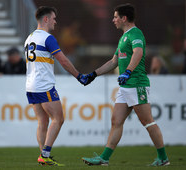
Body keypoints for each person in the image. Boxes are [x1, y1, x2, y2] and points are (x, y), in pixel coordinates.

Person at [82, 4, 170, 166]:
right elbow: (114, 61)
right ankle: (104, 158)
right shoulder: (123, 37)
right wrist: (93, 75)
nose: (113, 19)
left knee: (148, 122)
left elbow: (138, 53)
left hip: (136, 83)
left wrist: (128, 71)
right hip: (126, 86)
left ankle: (163, 158)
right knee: (116, 121)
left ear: (124, 18)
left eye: (116, 17)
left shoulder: (135, 33)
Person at [24, 6, 88, 166]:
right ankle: (45, 155)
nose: (55, 21)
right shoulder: (48, 38)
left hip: (31, 85)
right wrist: (79, 76)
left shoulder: (29, 37)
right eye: (53, 18)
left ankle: (43, 156)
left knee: (42, 121)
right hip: (44, 86)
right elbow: (64, 60)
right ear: (45, 19)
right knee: (58, 119)